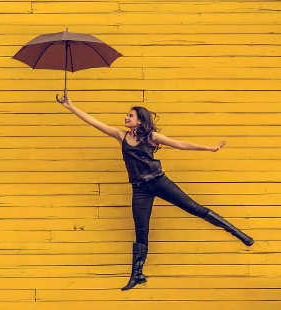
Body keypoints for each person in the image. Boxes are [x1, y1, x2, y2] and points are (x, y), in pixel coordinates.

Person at [58, 96, 254, 291]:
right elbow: (94, 122)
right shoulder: (121, 135)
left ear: (140, 120)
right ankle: (137, 275)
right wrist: (70, 106)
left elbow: (180, 144)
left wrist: (209, 148)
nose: (126, 118)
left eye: (130, 116)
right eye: (127, 115)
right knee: (141, 230)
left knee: (194, 208)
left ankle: (237, 232)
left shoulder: (151, 137)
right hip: (139, 189)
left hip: (159, 182)